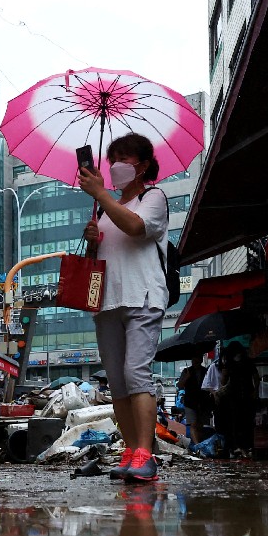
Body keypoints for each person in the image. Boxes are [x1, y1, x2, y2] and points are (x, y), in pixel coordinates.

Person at [77, 133, 169, 482]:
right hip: (107, 302)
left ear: (143, 165)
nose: (116, 166)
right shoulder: (103, 211)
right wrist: (92, 239)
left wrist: (101, 194)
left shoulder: (153, 197)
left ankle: (146, 453)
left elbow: (136, 227)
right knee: (116, 381)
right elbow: (99, 259)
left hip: (142, 297)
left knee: (135, 373)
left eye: (124, 159)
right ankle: (131, 450)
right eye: (112, 158)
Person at [214, 342, 259, 457]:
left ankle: (238, 447)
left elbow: (223, 383)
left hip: (236, 397)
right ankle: (243, 447)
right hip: (241, 396)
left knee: (237, 422)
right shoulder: (246, 362)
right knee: (244, 422)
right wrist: (255, 391)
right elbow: (255, 377)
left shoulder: (231, 363)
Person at [177, 359, 210, 444]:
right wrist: (186, 377)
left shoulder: (205, 370)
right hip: (190, 402)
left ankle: (200, 443)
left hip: (203, 402)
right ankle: (197, 445)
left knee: (200, 424)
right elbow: (180, 386)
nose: (196, 361)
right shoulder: (186, 371)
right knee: (193, 423)